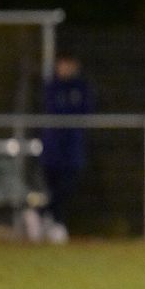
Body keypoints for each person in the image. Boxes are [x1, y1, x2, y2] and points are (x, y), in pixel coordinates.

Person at [39, 50, 95, 243]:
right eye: (62, 64)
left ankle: (43, 215)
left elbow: (86, 110)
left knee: (67, 187)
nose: (65, 68)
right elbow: (53, 110)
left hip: (73, 149)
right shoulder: (51, 87)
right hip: (52, 149)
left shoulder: (82, 87)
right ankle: (54, 223)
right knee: (54, 189)